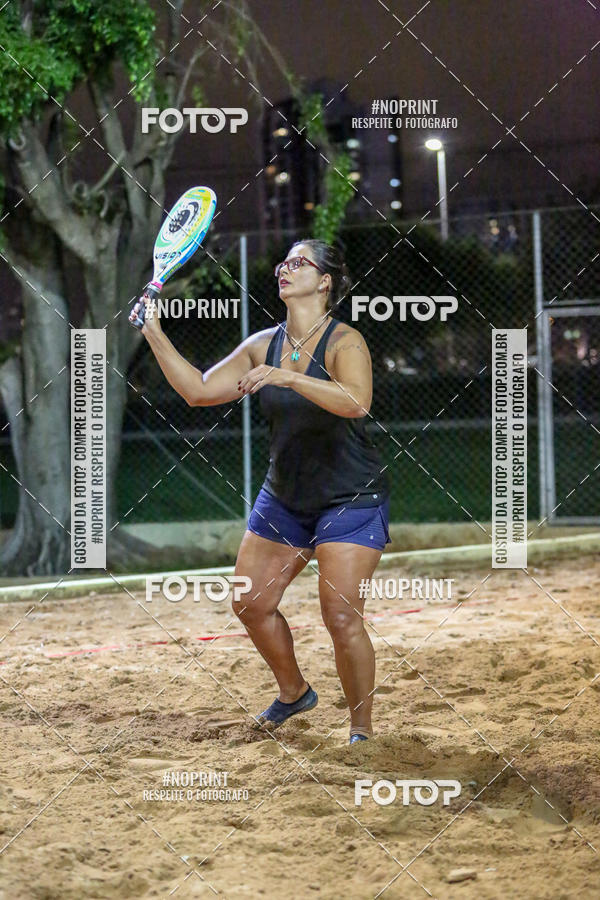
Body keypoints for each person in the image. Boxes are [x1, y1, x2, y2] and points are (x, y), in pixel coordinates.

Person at [131, 239, 391, 745]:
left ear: (325, 281)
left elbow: (357, 402)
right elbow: (199, 391)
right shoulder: (261, 344)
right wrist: (155, 334)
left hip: (350, 496)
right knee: (250, 603)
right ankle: (294, 693)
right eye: (283, 262)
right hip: (286, 498)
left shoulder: (346, 341)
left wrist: (288, 379)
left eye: (300, 263)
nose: (286, 269)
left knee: (340, 615)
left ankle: (362, 731)